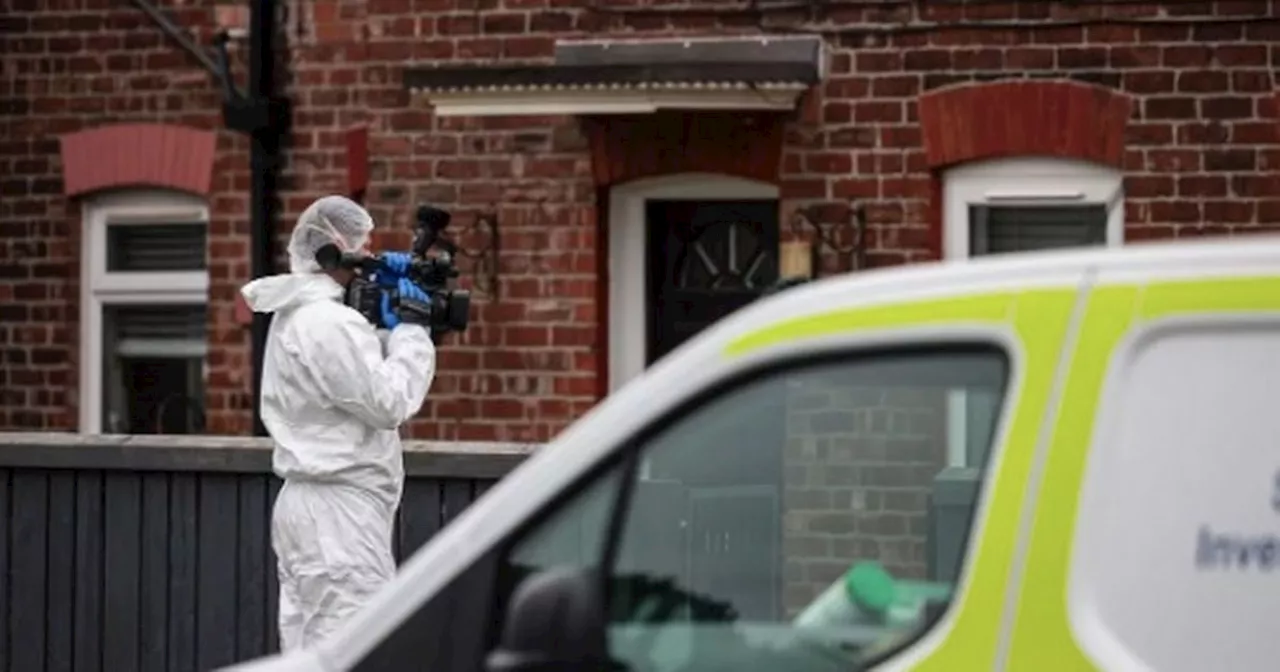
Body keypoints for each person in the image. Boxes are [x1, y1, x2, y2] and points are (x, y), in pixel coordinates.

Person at [240, 195, 436, 651]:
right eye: (362, 246)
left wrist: (387, 329)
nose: (367, 258)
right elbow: (388, 401)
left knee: (309, 649)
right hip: (337, 519)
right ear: (335, 249)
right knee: (354, 649)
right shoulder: (327, 322)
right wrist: (413, 332)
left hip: (313, 507)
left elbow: (352, 382)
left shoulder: (304, 316)